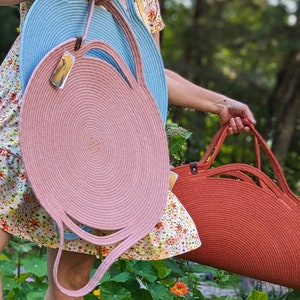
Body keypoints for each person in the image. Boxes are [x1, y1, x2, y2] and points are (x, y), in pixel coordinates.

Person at [0, 0, 256, 299]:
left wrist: (221, 104)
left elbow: (148, 72)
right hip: (19, 121)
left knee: (72, 277)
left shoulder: (145, 3)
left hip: (94, 139)